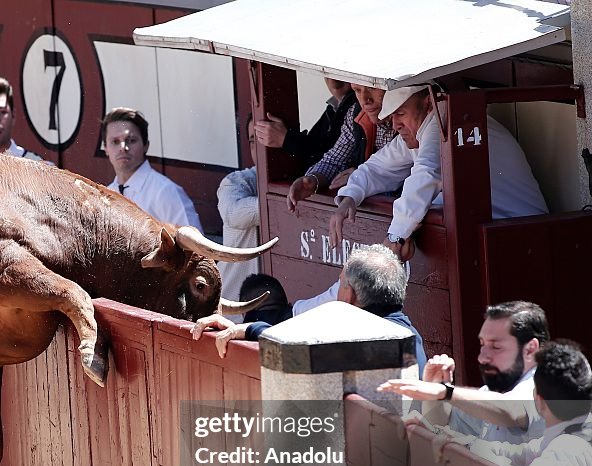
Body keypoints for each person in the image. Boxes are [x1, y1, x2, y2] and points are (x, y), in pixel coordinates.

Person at [330, 85, 548, 260]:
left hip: (526, 238)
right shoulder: (422, 129)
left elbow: (427, 175)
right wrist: (350, 196)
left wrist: (396, 237)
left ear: (427, 103)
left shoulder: (441, 121)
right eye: (392, 117)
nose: (395, 125)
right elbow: (377, 167)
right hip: (507, 237)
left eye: (401, 113)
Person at [192, 244, 426, 369]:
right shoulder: (408, 333)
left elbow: (303, 351)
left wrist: (250, 329)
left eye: (341, 283)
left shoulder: (369, 339)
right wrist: (244, 328)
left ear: (348, 294)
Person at [379, 301, 549, 444]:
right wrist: (436, 389)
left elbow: (511, 409)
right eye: (483, 345)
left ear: (530, 350)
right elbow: (443, 422)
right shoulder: (493, 390)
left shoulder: (544, 386)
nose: (482, 358)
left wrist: (445, 392)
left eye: (496, 347)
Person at [465, 342, 592, 466]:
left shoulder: (569, 449)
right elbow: (526, 452)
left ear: (539, 402)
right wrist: (469, 446)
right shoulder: (574, 432)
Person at [286, 84, 396, 212]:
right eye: (357, 90)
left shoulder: (409, 116)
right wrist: (313, 179)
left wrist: (359, 177)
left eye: (372, 87)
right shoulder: (356, 113)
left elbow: (411, 173)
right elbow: (335, 160)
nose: (365, 99)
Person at [103, 107, 201, 230]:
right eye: (115, 142)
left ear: (146, 146)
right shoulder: (105, 196)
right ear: (106, 149)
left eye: (131, 140)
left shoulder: (165, 192)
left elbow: (193, 247)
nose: (123, 147)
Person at [255, 77, 356, 170]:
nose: (333, 82)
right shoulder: (332, 109)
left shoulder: (357, 106)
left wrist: (286, 139)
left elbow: (333, 156)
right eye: (328, 72)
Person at [217, 116, 260, 305]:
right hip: (231, 306)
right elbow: (234, 213)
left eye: (265, 137)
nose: (258, 146)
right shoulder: (236, 181)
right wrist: (288, 202)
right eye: (253, 140)